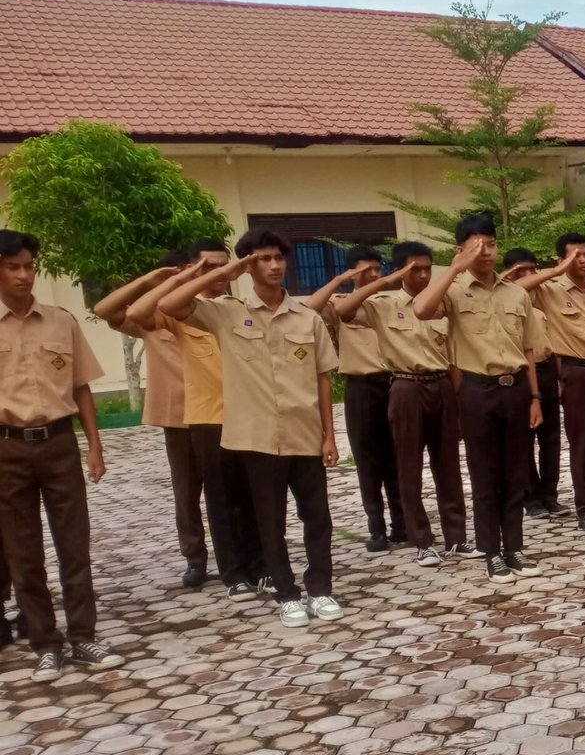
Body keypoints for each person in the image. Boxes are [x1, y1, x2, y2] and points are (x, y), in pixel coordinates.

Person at [158, 228, 344, 628]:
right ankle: (287, 593)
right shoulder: (225, 313)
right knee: (269, 520)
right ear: (246, 265)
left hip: (305, 434)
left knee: (317, 518)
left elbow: (323, 378)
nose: (274, 265)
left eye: (278, 257)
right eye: (262, 259)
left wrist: (329, 435)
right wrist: (224, 270)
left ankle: (321, 588)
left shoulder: (307, 318)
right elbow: (170, 304)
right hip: (257, 439)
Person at [0, 229, 123, 680]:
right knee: (22, 550)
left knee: (74, 544)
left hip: (59, 444)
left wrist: (94, 445)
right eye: (13, 267)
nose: (23, 275)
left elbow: (81, 387)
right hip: (6, 448)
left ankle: (84, 637)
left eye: (29, 266)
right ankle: (45, 643)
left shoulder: (61, 321)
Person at [129, 240, 268, 604]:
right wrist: (185, 276)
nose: (220, 274)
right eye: (209, 267)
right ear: (193, 269)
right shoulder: (182, 311)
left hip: (248, 413)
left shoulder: (241, 308)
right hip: (208, 418)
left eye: (225, 266)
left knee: (254, 497)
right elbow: (142, 310)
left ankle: (260, 566)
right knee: (220, 499)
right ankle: (233, 573)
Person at [411, 216, 545, 585]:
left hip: (515, 388)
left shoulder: (516, 293)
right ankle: (491, 553)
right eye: (477, 245)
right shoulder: (453, 291)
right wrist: (454, 268)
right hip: (476, 390)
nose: (487, 252)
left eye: (491, 244)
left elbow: (529, 350)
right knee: (485, 475)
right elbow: (421, 310)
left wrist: (534, 397)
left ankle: (514, 547)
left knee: (516, 473)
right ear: (462, 249)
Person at [333, 242, 472, 567]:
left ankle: (457, 537)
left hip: (440, 385)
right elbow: (343, 311)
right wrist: (384, 280)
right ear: (400, 270)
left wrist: (460, 402)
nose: (423, 275)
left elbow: (452, 357)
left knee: (448, 466)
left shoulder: (442, 302)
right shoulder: (384, 302)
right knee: (408, 467)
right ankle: (421, 540)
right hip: (405, 386)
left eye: (427, 268)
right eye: (415, 269)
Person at [91, 251, 208, 587]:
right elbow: (106, 311)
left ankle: (239, 553)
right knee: (186, 492)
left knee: (228, 490)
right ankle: (195, 558)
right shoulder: (152, 315)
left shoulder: (216, 311)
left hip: (219, 412)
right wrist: (150, 281)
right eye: (194, 268)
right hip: (179, 416)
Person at [512, 234, 585, 536]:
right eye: (575, 255)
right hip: (576, 373)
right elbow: (514, 291)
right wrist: (554, 271)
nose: (584, 260)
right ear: (561, 259)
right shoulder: (549, 291)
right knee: (582, 443)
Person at [305, 245, 405, 552]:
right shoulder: (339, 303)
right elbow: (309, 309)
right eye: (366, 270)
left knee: (397, 458)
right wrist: (340, 281)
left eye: (378, 268)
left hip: (394, 383)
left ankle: (402, 524)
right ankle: (376, 527)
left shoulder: (391, 302)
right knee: (367, 460)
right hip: (361, 387)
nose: (375, 275)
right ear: (351, 272)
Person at [502, 247, 570, 521]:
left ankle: (549, 495)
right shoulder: (505, 301)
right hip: (520, 376)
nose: (531, 276)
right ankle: (530, 498)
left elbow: (555, 347)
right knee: (524, 440)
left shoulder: (543, 301)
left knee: (551, 439)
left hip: (547, 372)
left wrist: (560, 379)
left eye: (533, 269)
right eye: (522, 271)